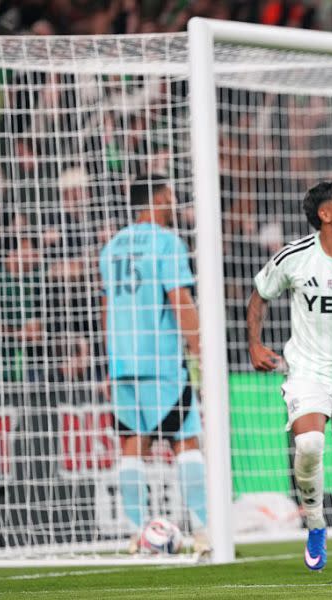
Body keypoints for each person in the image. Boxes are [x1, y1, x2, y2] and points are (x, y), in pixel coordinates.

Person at [247, 181, 332, 572]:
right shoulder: (295, 257)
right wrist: (255, 345)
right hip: (307, 370)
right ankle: (315, 523)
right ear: (325, 215)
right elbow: (260, 293)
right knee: (308, 445)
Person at [99, 174, 210, 556]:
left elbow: (106, 307)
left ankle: (135, 535)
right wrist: (199, 352)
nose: (175, 204)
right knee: (185, 440)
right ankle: (204, 530)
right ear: (159, 198)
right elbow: (178, 299)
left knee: (132, 444)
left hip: (122, 360)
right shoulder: (167, 243)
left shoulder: (111, 246)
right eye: (171, 197)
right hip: (161, 358)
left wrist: (109, 357)